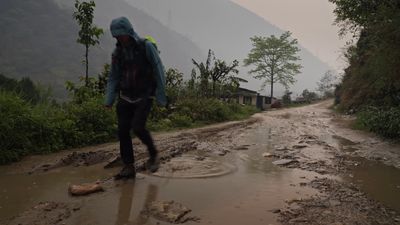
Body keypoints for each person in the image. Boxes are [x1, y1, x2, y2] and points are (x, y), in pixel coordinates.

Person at [104, 17, 167, 179]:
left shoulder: (146, 47)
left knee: (138, 127)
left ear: (129, 32)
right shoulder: (117, 53)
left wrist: (160, 96)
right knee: (123, 130)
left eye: (121, 35)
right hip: (125, 96)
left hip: (144, 95)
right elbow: (113, 77)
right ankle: (128, 166)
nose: (119, 38)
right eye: (116, 36)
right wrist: (109, 99)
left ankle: (153, 155)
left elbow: (158, 69)